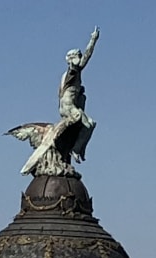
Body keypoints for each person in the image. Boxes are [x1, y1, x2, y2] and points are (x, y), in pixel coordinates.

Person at [58, 27, 100, 162]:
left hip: (70, 107)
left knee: (91, 124)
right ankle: (76, 149)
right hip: (69, 108)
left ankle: (79, 149)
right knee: (89, 125)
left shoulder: (69, 74)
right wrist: (93, 40)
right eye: (78, 57)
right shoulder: (73, 71)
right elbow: (87, 57)